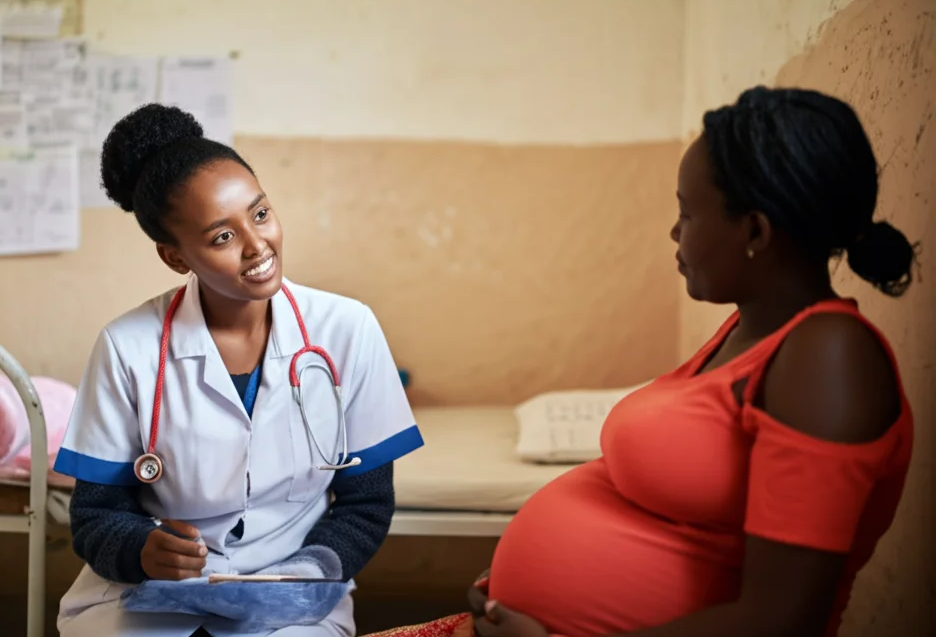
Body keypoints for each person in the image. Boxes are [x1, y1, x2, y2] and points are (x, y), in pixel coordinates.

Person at [370, 86, 916, 637]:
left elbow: (783, 621)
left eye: (687, 213)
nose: (675, 233)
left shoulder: (829, 357)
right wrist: (516, 582)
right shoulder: (747, 329)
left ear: (754, 230)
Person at [53, 103, 424, 637]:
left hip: (293, 593)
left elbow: (367, 503)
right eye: (221, 237)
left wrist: (310, 570)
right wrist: (139, 549)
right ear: (175, 257)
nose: (257, 246)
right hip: (150, 598)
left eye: (261, 213)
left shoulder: (348, 329)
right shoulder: (127, 346)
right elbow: (94, 515)